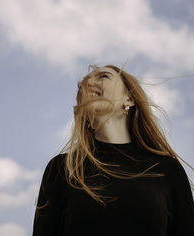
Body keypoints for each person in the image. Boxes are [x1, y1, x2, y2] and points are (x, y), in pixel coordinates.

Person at [32, 64, 194, 236]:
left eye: (103, 76)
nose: (88, 84)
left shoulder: (166, 169)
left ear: (129, 99)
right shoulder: (63, 168)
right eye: (82, 85)